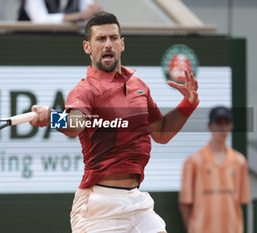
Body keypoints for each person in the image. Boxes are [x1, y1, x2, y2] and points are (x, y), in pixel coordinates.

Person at [30, 11, 199, 233]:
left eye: (113, 38)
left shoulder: (139, 86)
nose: (108, 44)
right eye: (101, 39)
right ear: (87, 47)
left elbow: (161, 133)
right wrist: (52, 117)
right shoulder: (85, 90)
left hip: (136, 202)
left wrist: (188, 103)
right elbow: (75, 124)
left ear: (122, 44)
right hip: (99, 207)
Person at [179, 106, 250, 233]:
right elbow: (185, 202)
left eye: (226, 123)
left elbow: (240, 202)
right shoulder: (194, 161)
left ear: (231, 126)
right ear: (210, 126)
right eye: (218, 123)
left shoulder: (240, 161)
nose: (222, 128)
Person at [18, 0, 101, 24]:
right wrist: (79, 16)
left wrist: (94, 10)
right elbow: (40, 19)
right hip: (28, 44)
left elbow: (89, 13)